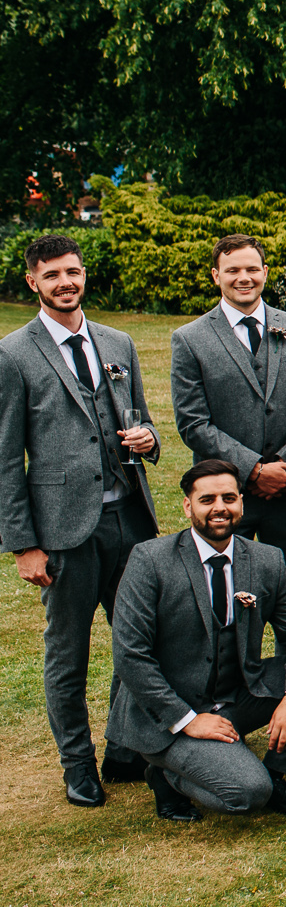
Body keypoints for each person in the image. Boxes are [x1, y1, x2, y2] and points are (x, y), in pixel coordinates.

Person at [0, 234, 161, 804]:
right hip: (63, 531)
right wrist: (23, 544)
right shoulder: (14, 354)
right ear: (33, 283)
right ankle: (77, 765)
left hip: (132, 523)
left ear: (84, 273)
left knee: (139, 642)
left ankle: (123, 749)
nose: (65, 283)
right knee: (67, 654)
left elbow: (140, 419)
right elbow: (4, 458)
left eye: (73, 272)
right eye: (52, 276)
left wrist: (149, 439)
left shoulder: (117, 341)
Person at [106, 461, 286, 821]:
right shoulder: (150, 560)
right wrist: (187, 719)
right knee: (245, 794)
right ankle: (165, 775)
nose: (219, 507)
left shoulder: (266, 559)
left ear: (242, 503)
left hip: (237, 694)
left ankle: (275, 772)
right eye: (207, 499)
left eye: (228, 497)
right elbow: (130, 656)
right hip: (169, 713)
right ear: (188, 507)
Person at [170, 233, 286, 614]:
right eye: (232, 270)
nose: (243, 277)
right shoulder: (190, 339)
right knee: (227, 598)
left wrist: (285, 466)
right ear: (216, 276)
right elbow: (193, 423)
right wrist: (255, 470)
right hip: (226, 494)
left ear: (265, 272)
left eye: (251, 269)